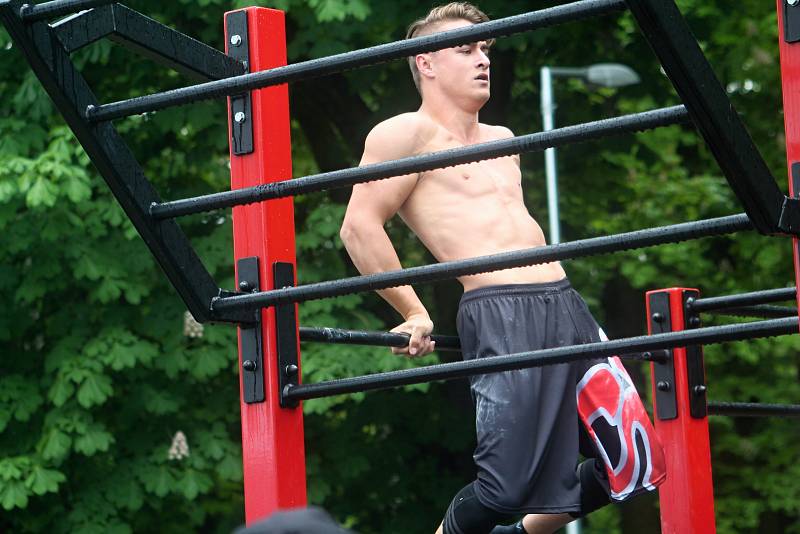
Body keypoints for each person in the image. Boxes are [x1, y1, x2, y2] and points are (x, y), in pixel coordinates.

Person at [339, 3, 667, 533]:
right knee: (504, 487)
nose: (481, 60)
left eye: (486, 49)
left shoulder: (504, 140)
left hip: (565, 305)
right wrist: (413, 309)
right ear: (425, 62)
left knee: (636, 460)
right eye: (465, 49)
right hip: (501, 312)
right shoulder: (404, 134)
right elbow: (358, 228)